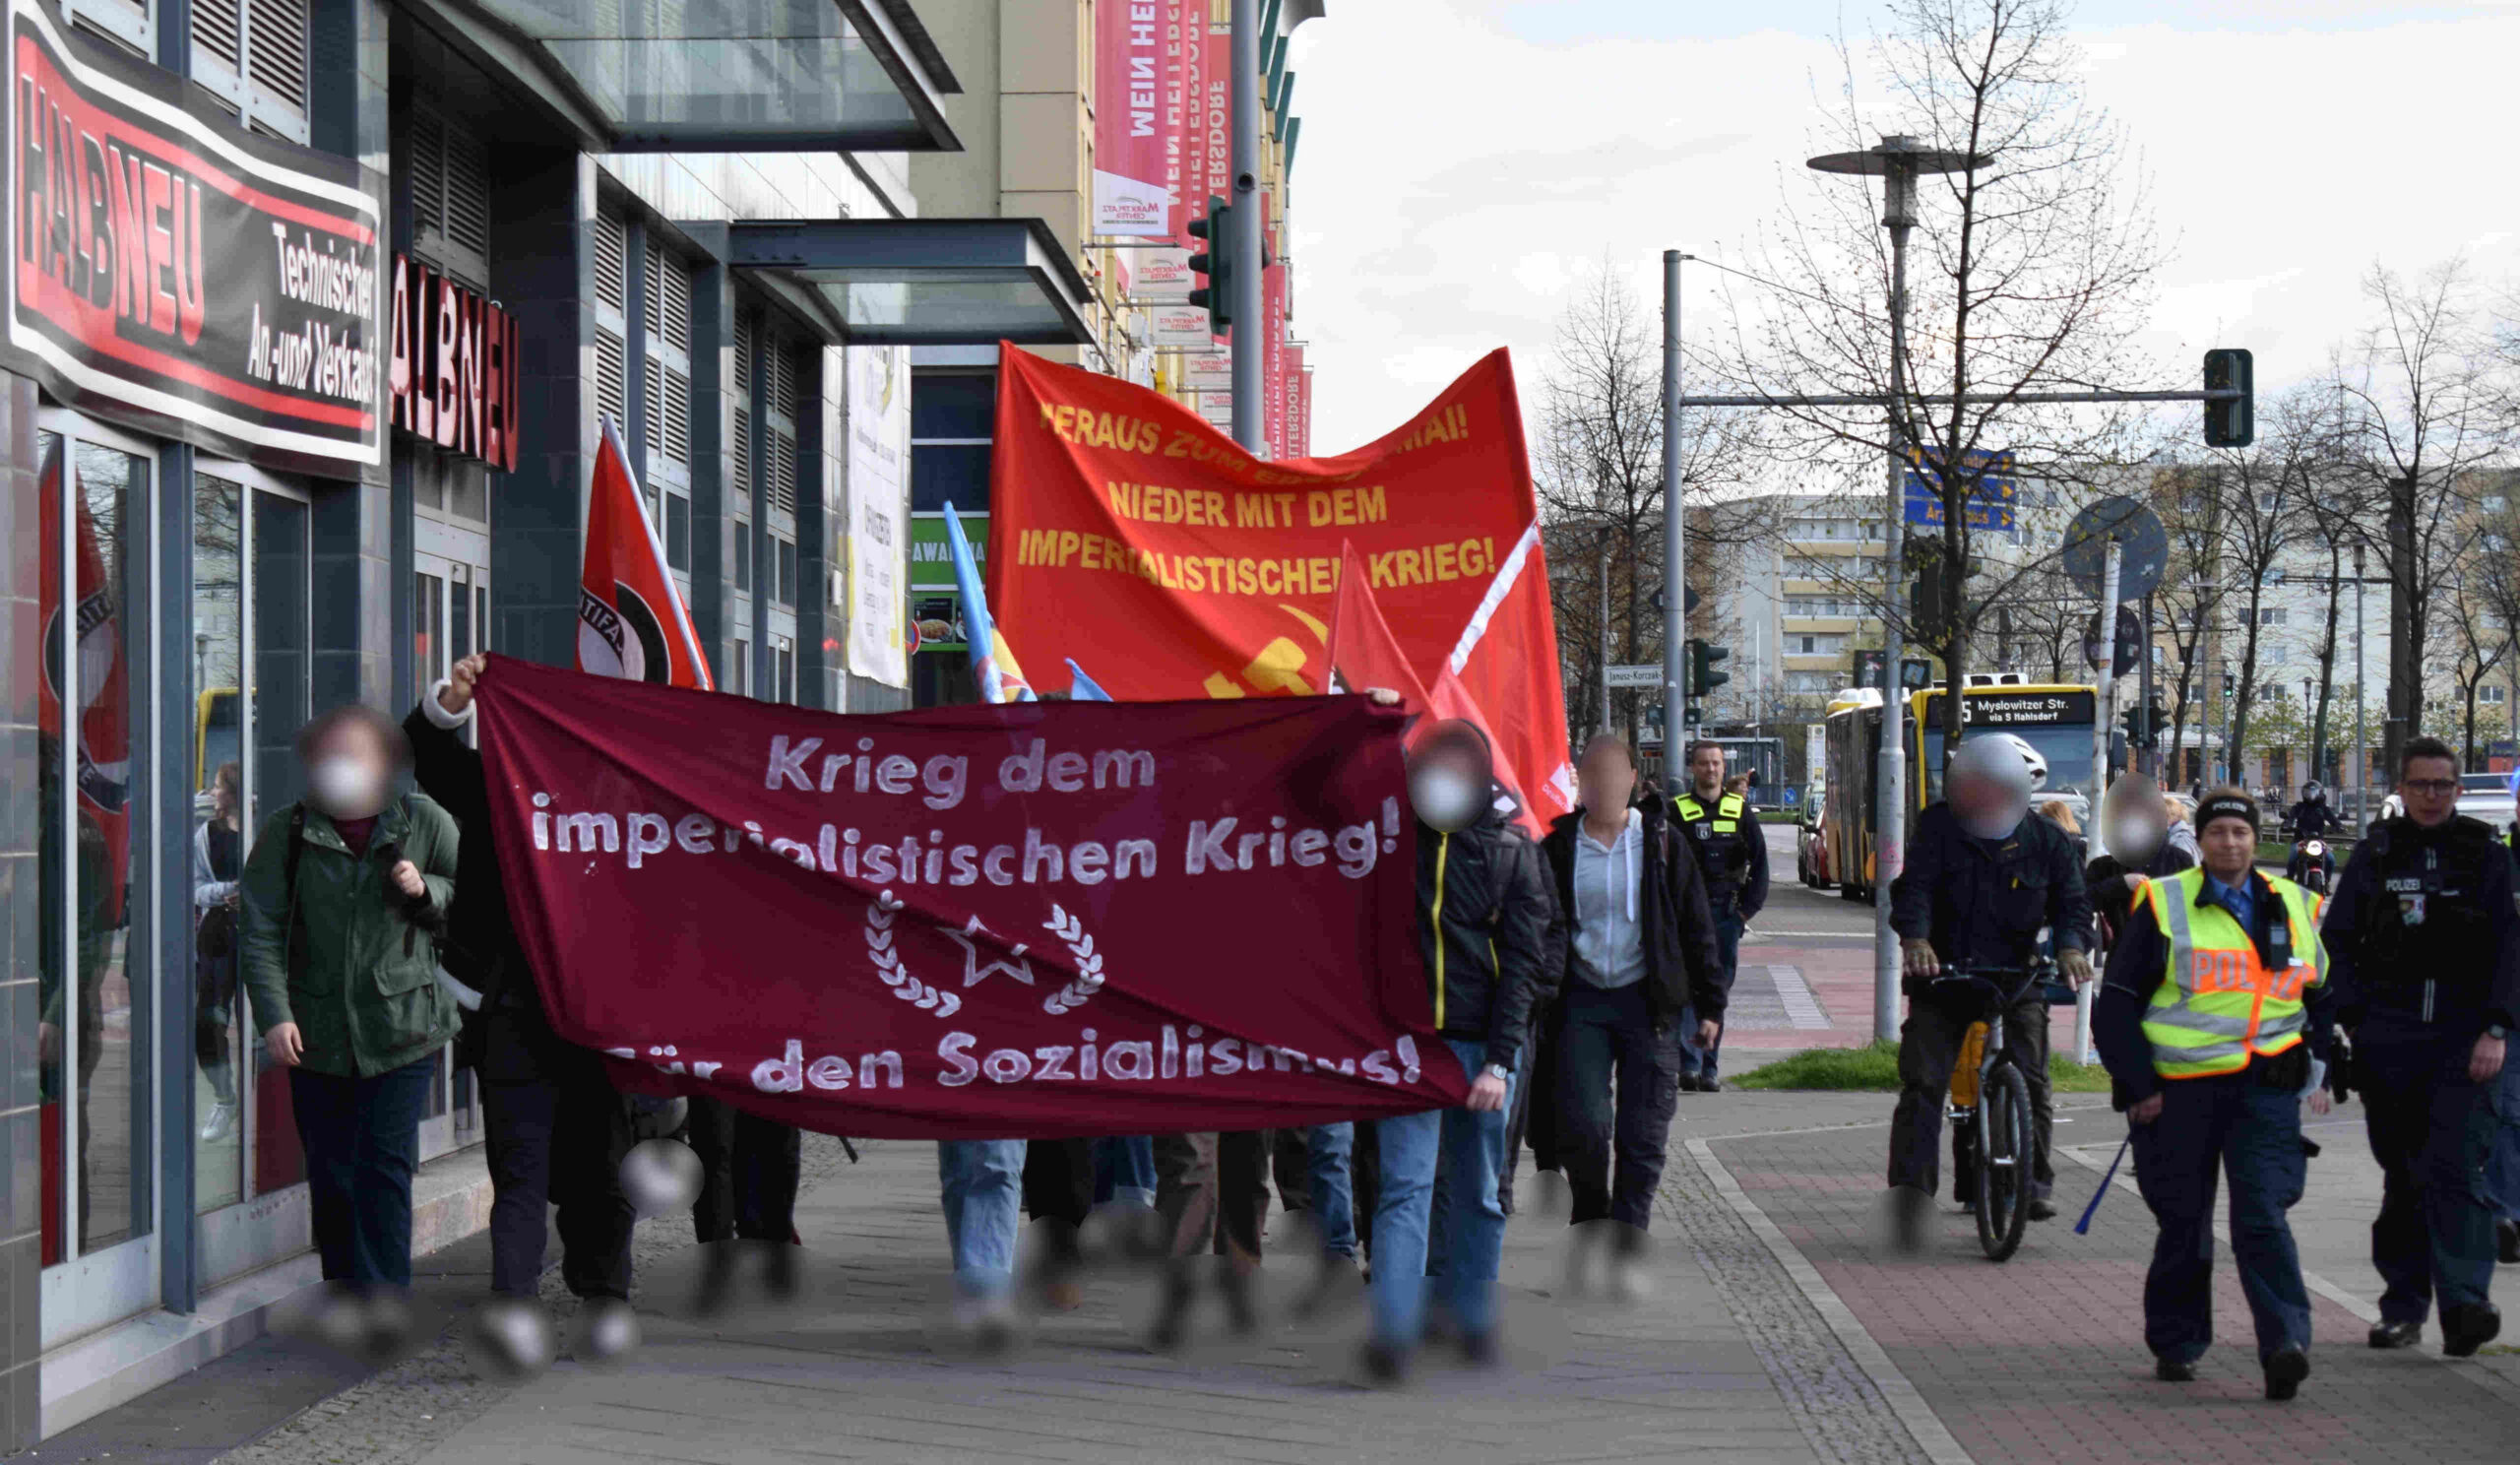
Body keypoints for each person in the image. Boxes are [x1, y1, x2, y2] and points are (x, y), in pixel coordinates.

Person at [413, 657, 638, 1346]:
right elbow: (432, 754)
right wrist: (453, 699)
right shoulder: (495, 790)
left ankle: (602, 1295)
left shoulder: (629, 806)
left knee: (600, 1167)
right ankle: (514, 1301)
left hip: (598, 1022)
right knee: (520, 1170)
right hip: (515, 1016)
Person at [2094, 788, 2333, 1399]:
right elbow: (2118, 1003)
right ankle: (2177, 1344)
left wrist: (2329, 1059)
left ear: (2256, 841)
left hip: (2265, 1087)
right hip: (2180, 1093)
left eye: (2241, 832)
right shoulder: (2166, 904)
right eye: (2218, 832)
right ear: (2199, 842)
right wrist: (2137, 1085)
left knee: (2262, 1219)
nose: (2231, 842)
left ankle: (2286, 1345)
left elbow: (2322, 994)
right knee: (2183, 1223)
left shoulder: (2295, 903)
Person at [239, 706, 460, 1295]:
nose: (341, 767)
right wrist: (275, 1014)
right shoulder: (289, 832)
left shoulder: (424, 820)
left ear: (385, 762)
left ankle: (384, 1298)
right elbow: (259, 930)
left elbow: (474, 896)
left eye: (354, 753)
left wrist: (428, 889)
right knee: (333, 1172)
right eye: (330, 754)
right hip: (317, 1032)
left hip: (404, 1029)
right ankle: (344, 1290)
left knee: (383, 1168)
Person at [1364, 719, 1556, 1377]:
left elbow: (1525, 968)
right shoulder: (1394, 847)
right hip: (1412, 1052)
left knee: (1477, 1191)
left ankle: (1473, 1319)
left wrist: (1501, 1062)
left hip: (1485, 1052)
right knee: (1404, 1189)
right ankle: (1392, 1334)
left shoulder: (1512, 853)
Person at [2320, 736, 2515, 1357]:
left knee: (2456, 1171)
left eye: (2443, 786)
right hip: (2390, 1040)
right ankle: (2402, 1309)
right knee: (2404, 1178)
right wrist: (2354, 1021)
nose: (2431, 796)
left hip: (2465, 1044)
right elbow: (2340, 942)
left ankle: (2466, 1307)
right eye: (2420, 785)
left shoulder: (2485, 854)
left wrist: (2497, 1029)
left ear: (2460, 790)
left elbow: (2512, 949)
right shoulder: (2376, 854)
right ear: (2399, 789)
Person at [1888, 732, 2094, 1233]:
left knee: (2032, 1078)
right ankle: (1911, 1195)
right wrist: (1916, 940)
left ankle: (2034, 1184)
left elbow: (2074, 902)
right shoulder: (1938, 828)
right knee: (1924, 1083)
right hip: (1946, 976)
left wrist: (2070, 946)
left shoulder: (2048, 842)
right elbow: (1913, 888)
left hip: (2017, 976)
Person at [1540, 735, 1724, 1237]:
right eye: (1591, 776)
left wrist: (1710, 1006)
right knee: (1583, 1122)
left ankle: (1629, 1229)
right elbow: (1536, 924)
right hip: (1581, 1002)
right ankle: (1593, 1217)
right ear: (1579, 783)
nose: (1603, 786)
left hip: (1649, 1002)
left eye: (1612, 775)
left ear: (1631, 781)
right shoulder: (1558, 848)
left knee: (1644, 1129)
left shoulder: (1661, 844)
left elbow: (1696, 925)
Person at [1670, 740, 1768, 1093]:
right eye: (1703, 764)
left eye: (1715, 764)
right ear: (1693, 769)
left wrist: (1744, 912)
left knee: (1717, 990)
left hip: (1725, 913)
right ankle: (1689, 1066)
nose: (1710, 770)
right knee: (1686, 990)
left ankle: (1710, 1068)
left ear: (1723, 769)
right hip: (1685, 916)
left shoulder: (1739, 810)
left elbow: (1760, 865)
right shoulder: (1676, 812)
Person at [194, 761, 246, 1144]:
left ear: (234, 791)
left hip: (259, 937)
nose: (213, 793)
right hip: (217, 934)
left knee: (263, 1025)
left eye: (217, 786)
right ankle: (225, 1099)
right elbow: (194, 887)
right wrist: (226, 891)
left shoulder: (262, 832)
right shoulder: (206, 834)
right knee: (208, 1023)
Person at [2086, 774, 2195, 947]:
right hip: (2123, 957)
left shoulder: (2178, 860)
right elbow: (2082, 903)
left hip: (2170, 953)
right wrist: (2121, 884)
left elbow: (2194, 906)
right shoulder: (2105, 865)